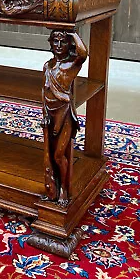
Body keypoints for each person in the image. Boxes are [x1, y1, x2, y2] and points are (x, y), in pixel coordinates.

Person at [42, 30, 88, 203]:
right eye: (55, 41)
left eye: (63, 41)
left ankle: (64, 189)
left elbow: (83, 53)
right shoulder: (48, 66)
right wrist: (45, 113)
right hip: (50, 114)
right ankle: (52, 187)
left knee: (59, 155)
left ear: (70, 44)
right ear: (51, 43)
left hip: (64, 114)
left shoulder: (71, 65)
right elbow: (44, 90)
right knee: (50, 154)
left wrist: (73, 31)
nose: (59, 45)